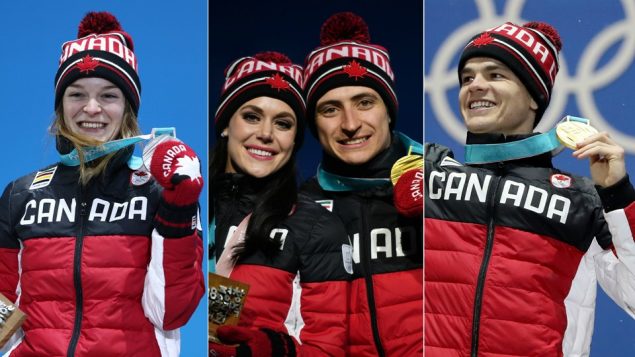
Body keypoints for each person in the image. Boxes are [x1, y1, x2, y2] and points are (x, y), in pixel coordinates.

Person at [411, 21, 635, 356]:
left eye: (495, 75)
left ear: (534, 97)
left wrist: (618, 194)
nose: (475, 86)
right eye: (467, 78)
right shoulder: (428, 179)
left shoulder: (579, 202)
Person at [0, 12, 204, 356]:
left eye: (109, 95)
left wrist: (180, 206)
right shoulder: (21, 194)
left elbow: (171, 314)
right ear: (61, 106)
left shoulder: (159, 192)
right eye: (76, 94)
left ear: (128, 109)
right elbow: (2, 306)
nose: (91, 108)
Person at [209, 51, 351, 356]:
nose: (265, 134)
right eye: (251, 116)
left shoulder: (316, 225)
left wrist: (279, 351)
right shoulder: (183, 206)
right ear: (225, 125)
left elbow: (327, 349)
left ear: (295, 139)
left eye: (283, 124)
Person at [299, 12, 424, 356]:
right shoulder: (295, 209)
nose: (350, 123)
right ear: (313, 125)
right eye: (330, 110)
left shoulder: (444, 186)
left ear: (388, 111)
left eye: (364, 103)